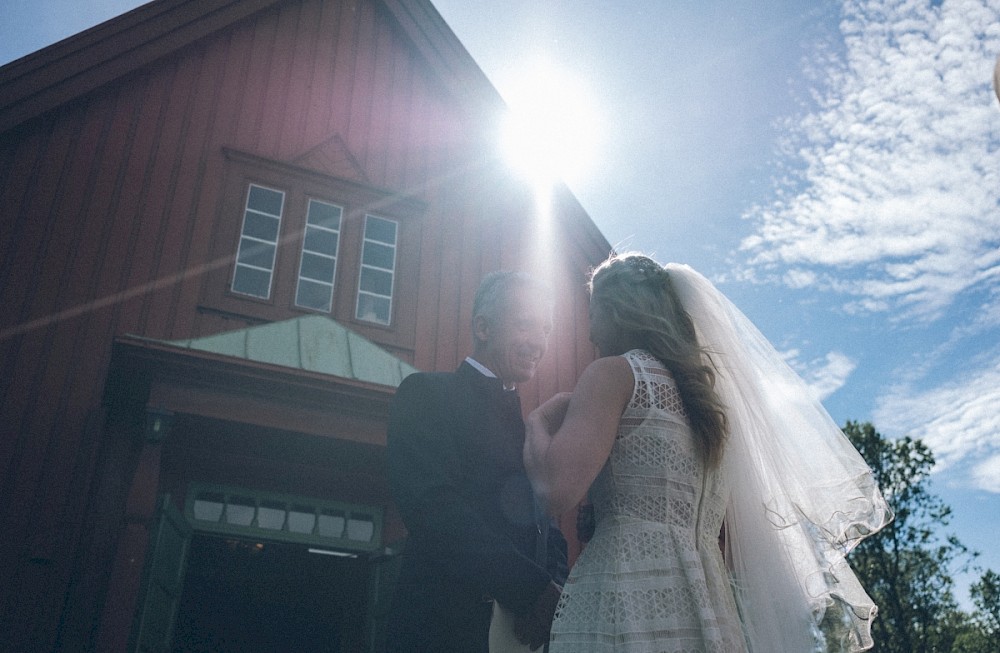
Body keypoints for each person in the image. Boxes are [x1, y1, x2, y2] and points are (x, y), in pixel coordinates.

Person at [524, 253, 893, 652]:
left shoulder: (614, 374)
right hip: (710, 612)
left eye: (593, 314)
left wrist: (537, 424)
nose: (591, 333)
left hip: (625, 600)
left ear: (615, 312)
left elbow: (554, 490)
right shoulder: (711, 407)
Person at [386, 271, 568, 653]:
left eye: (547, 329)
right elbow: (432, 507)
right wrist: (532, 590)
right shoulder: (425, 394)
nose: (539, 342)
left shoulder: (529, 427)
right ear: (483, 328)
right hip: (443, 630)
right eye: (525, 325)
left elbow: (545, 526)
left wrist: (556, 592)